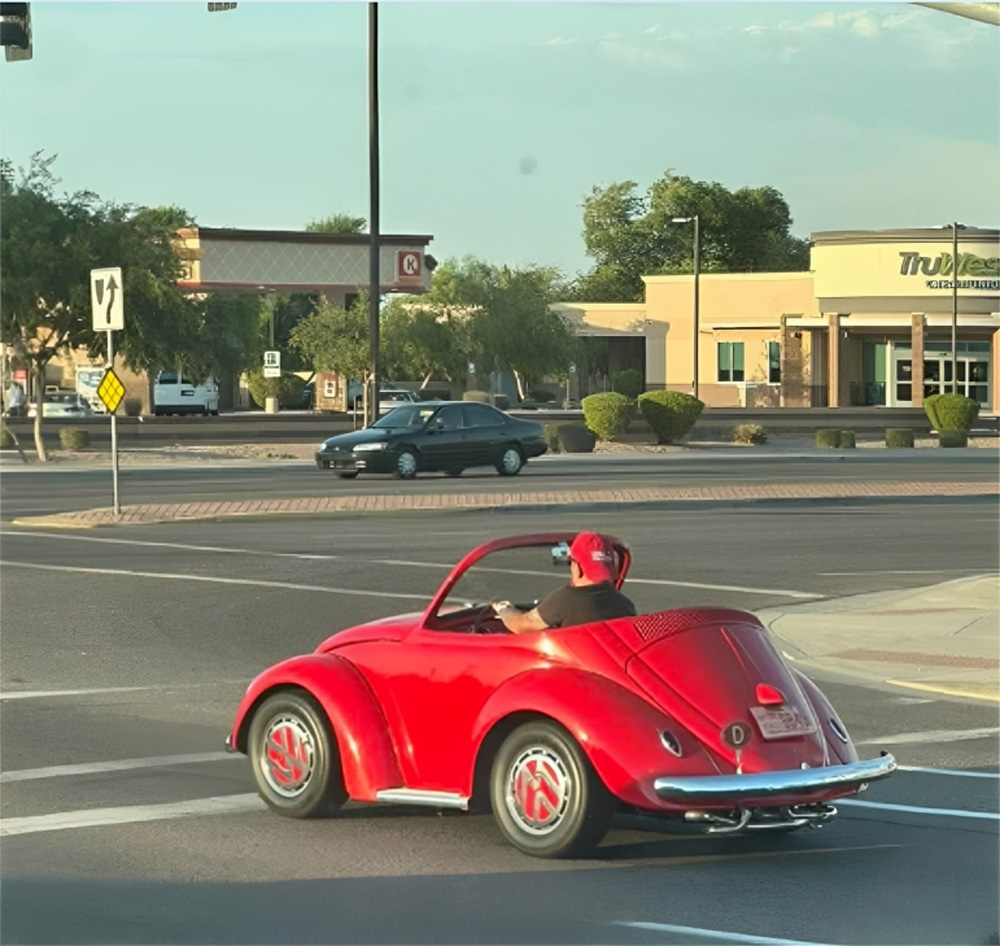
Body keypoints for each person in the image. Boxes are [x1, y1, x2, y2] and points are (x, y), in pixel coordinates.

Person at [491, 532, 637, 634]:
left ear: (577, 567)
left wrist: (504, 609)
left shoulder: (566, 599)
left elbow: (520, 626)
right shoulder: (625, 605)